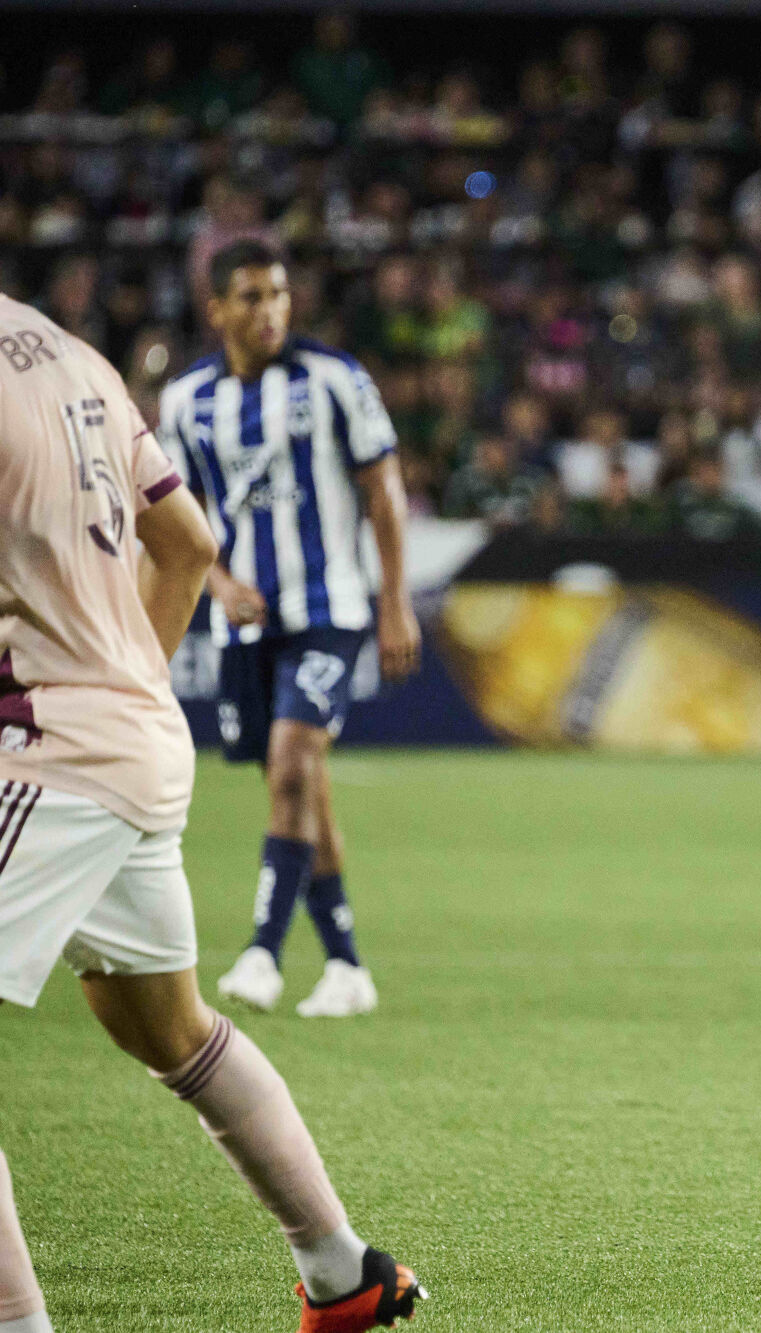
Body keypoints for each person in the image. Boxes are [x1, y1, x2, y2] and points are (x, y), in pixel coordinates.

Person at [0, 293, 423, 1331]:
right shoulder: (71, 356)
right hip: (129, 739)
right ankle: (343, 1271)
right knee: (168, 1026)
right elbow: (188, 541)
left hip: (48, 751)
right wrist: (121, 688)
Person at [157, 239, 422, 1019]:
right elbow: (178, 516)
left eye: (278, 293)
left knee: (292, 759)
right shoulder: (185, 401)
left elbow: (384, 488)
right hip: (244, 622)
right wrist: (219, 583)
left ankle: (263, 953)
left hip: (329, 610)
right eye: (251, 296)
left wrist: (394, 600)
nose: (269, 309)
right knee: (300, 781)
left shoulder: (335, 379)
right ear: (217, 310)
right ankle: (345, 965)